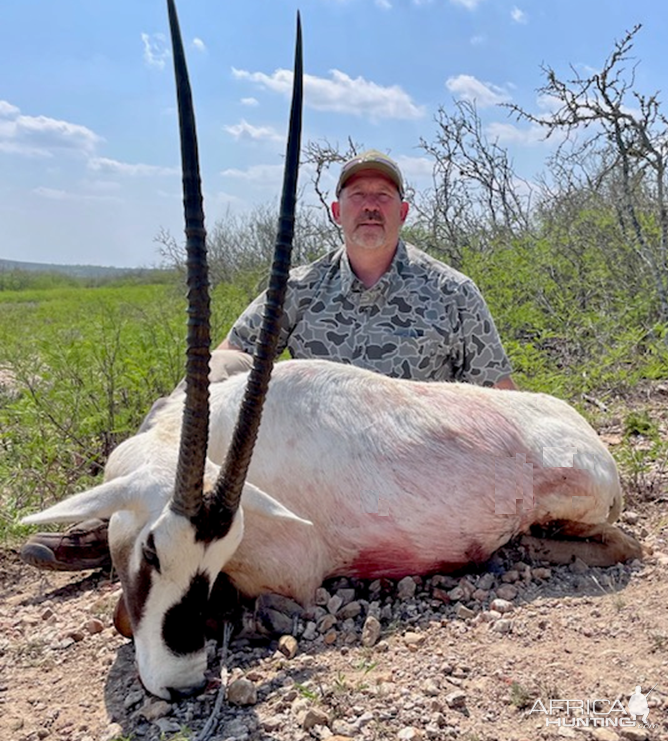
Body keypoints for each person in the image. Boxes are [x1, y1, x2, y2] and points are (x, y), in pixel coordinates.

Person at [20, 150, 515, 572]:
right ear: (335, 211)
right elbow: (233, 354)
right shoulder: (296, 287)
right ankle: (125, 515)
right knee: (211, 375)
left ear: (403, 211)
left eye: (382, 197)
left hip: (414, 472)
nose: (369, 206)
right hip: (319, 475)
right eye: (357, 196)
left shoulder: (453, 292)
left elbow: (502, 400)